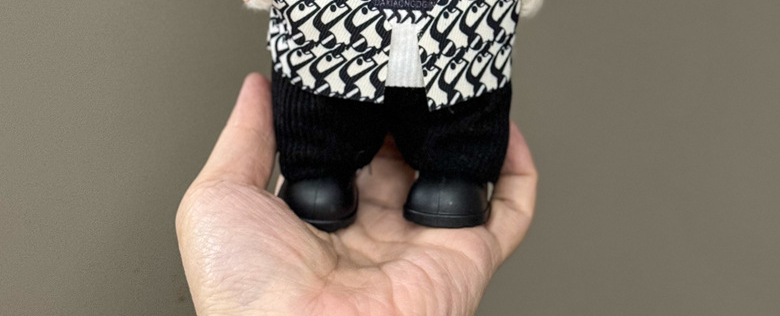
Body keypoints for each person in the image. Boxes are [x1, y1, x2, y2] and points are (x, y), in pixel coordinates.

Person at [176, 72, 538, 316]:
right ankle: (320, 173)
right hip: (338, 29)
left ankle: (453, 174)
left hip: (451, 29)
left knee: (462, 87)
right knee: (320, 86)